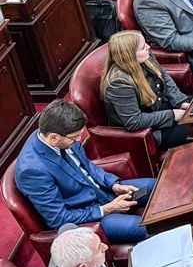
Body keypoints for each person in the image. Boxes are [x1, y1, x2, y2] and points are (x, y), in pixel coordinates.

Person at [14, 101, 155, 243]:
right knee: (143, 227)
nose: (79, 140)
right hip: (88, 215)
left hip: (105, 192)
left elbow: (88, 167)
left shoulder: (56, 134)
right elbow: (59, 219)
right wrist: (106, 209)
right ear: (54, 137)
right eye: (75, 137)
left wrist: (113, 185)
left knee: (155, 187)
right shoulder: (32, 171)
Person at [99, 31, 191, 152]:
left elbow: (164, 77)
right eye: (142, 47)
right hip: (148, 130)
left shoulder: (146, 57)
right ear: (129, 55)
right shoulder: (119, 83)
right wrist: (173, 115)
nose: (148, 47)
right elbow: (134, 121)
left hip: (160, 108)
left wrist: (180, 101)